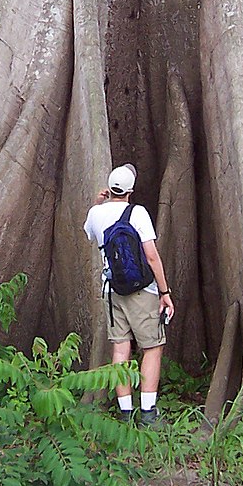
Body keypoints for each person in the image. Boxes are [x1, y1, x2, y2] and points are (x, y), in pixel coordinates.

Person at [84, 164, 175, 427]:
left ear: (110, 188)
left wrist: (97, 203)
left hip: (112, 291)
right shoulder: (138, 213)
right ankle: (147, 413)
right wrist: (164, 292)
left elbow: (90, 232)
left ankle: (126, 414)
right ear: (130, 191)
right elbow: (151, 255)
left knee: (121, 349)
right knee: (152, 348)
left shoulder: (96, 213)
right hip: (142, 291)